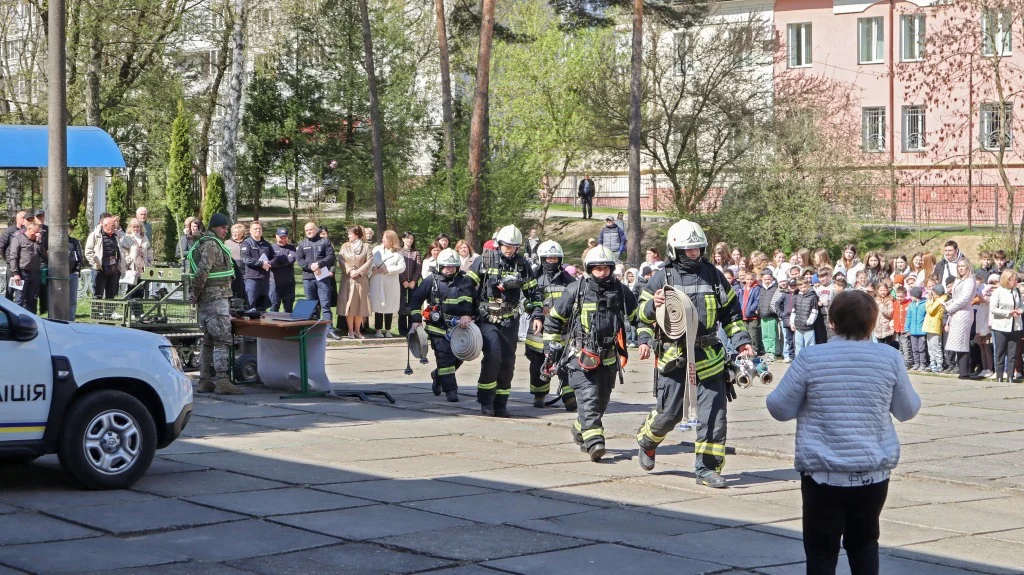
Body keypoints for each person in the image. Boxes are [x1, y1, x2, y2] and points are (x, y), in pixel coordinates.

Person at [766, 290, 920, 575]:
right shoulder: (890, 357)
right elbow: (907, 410)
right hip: (871, 472)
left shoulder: (811, 357)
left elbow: (779, 408)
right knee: (864, 544)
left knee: (821, 552)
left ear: (832, 322)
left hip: (823, 474)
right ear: (872, 322)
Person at [634, 219, 753, 488]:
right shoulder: (661, 277)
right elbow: (640, 316)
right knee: (670, 414)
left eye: (698, 248)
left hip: (709, 357)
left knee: (713, 416)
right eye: (689, 249)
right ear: (675, 251)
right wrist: (653, 306)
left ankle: (707, 469)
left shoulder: (713, 276)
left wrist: (741, 341)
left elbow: (732, 314)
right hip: (674, 358)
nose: (694, 253)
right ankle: (647, 440)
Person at [546, 245, 637, 462]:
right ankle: (596, 442)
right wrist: (551, 349)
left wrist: (646, 337)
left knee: (601, 402)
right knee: (589, 399)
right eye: (597, 268)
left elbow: (638, 317)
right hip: (581, 358)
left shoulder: (622, 291)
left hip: (609, 359)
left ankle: (580, 429)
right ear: (589, 269)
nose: (602, 272)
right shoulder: (576, 290)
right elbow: (554, 320)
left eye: (606, 268)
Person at [467, 225, 541, 417]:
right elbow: (466, 287)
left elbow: (534, 293)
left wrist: (537, 315)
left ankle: (500, 403)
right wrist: (466, 313)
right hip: (487, 319)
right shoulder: (484, 260)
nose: (509, 249)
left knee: (508, 362)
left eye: (513, 246)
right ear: (499, 244)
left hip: (510, 320)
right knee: (493, 357)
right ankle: (486, 401)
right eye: (506, 245)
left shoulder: (522, 265)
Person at [410, 248, 477, 402]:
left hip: (460, 329)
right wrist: (416, 319)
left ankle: (438, 375)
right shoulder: (431, 280)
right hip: (437, 328)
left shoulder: (464, 281)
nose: (449, 269)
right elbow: (416, 299)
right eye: (446, 266)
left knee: (459, 357)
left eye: (452, 266)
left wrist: (472, 317)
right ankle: (451, 390)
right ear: (440, 266)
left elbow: (474, 300)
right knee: (445, 358)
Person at [187, 213, 244, 395]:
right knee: (222, 339)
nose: (226, 230)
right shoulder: (211, 245)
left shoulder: (205, 243)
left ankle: (205, 380)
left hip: (209, 298)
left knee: (208, 340)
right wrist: (195, 294)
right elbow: (202, 271)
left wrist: (197, 294)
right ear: (214, 227)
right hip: (215, 298)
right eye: (223, 227)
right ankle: (222, 380)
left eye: (227, 227)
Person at [525, 240, 577, 410]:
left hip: (562, 329)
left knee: (566, 363)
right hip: (538, 329)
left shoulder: (568, 279)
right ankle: (539, 395)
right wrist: (535, 311)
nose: (552, 261)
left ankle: (569, 397)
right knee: (538, 362)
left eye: (555, 258)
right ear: (542, 259)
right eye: (549, 258)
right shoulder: (533, 277)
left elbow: (576, 299)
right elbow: (525, 299)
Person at [297, 221, 339, 336]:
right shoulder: (302, 243)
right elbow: (299, 260)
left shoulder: (325, 242)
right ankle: (314, 330)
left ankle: (329, 330)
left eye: (311, 229)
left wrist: (319, 264)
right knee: (312, 305)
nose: (309, 232)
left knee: (325, 304)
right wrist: (310, 266)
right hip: (308, 278)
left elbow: (331, 256)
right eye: (306, 230)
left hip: (322, 277)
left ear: (316, 230)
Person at [944, 258, 977, 379]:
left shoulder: (970, 280)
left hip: (964, 313)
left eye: (963, 266)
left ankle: (964, 371)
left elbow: (964, 299)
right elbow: (956, 297)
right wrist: (948, 303)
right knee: (958, 343)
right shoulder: (958, 280)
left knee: (962, 342)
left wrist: (950, 308)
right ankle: (963, 370)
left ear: (968, 267)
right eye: (959, 266)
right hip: (956, 312)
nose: (961, 268)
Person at [369, 230, 406, 337]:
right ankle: (378, 330)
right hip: (377, 280)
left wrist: (388, 269)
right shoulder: (376, 249)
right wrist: (373, 268)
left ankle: (388, 330)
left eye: (385, 238)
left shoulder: (398, 253)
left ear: (391, 240)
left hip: (390, 282)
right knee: (378, 306)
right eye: (383, 237)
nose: (383, 239)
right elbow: (370, 261)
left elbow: (402, 267)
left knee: (389, 306)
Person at [339, 225, 372, 339]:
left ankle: (358, 331)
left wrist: (358, 271)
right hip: (348, 279)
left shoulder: (366, 246)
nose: (348, 235)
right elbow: (341, 259)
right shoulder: (345, 246)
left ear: (356, 234)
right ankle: (350, 331)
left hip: (361, 280)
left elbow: (369, 261)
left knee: (360, 305)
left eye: (350, 233)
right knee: (349, 305)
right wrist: (349, 270)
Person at [989, 270, 1022, 382]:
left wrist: (1020, 311)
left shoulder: (1016, 291)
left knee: (1013, 353)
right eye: (1013, 279)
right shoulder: (998, 292)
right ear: (1007, 279)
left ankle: (1010, 376)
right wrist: (1008, 313)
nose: (1016, 281)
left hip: (1015, 326)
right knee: (1000, 352)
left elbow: (1021, 305)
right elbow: (993, 309)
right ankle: (999, 375)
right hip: (1001, 326)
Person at [84, 213, 126, 300]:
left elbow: (121, 251)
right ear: (105, 225)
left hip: (113, 269)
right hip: (100, 270)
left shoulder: (116, 235)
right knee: (98, 294)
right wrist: (96, 264)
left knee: (111, 294)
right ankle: (97, 309)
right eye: (112, 226)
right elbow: (88, 252)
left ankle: (109, 309)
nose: (115, 227)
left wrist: (120, 266)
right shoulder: (95, 235)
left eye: (114, 225)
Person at [6, 220, 43, 311]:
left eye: (38, 232)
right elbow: (13, 257)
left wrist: (39, 242)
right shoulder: (18, 239)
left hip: (35, 273)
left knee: (33, 299)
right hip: (23, 274)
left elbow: (44, 255)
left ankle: (32, 318)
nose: (37, 234)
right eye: (35, 232)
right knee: (20, 299)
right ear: (29, 229)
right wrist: (15, 273)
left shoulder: (37, 240)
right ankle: (17, 317)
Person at [239, 221, 275, 311]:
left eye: (259, 229)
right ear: (250, 231)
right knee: (250, 306)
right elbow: (246, 259)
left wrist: (268, 263)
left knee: (262, 307)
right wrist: (261, 263)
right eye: (255, 229)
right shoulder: (246, 243)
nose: (258, 230)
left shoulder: (266, 244)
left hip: (264, 279)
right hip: (252, 279)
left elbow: (274, 257)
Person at [121, 218, 152, 312]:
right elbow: (124, 253)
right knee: (132, 290)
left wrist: (150, 261)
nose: (136, 229)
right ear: (130, 227)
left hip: (143, 268)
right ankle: (129, 311)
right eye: (134, 227)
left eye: (137, 227)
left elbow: (149, 251)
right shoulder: (127, 238)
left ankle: (139, 311)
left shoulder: (144, 238)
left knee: (140, 290)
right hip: (132, 268)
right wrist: (129, 262)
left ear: (140, 227)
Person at [398, 232, 422, 336]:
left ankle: (412, 328)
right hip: (401, 282)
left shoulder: (416, 252)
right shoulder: (398, 252)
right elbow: (398, 268)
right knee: (401, 304)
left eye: (411, 238)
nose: (409, 240)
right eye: (407, 238)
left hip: (413, 283)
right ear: (403, 239)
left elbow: (418, 268)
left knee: (414, 304)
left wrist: (413, 281)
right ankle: (402, 330)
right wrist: (403, 280)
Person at [269, 228, 297, 313]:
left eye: (285, 237)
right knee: (274, 308)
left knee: (288, 309)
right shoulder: (271, 248)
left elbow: (291, 260)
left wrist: (276, 259)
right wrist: (284, 261)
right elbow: (270, 263)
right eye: (281, 237)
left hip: (289, 283)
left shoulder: (291, 247)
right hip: (274, 283)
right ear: (276, 236)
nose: (283, 239)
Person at [791, 278, 819, 356]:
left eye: (804, 287)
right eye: (800, 287)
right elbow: (793, 310)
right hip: (798, 326)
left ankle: (810, 360)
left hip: (808, 327)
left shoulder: (813, 297)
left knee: (810, 346)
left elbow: (814, 311)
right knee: (798, 344)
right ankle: (798, 359)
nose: (803, 289)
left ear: (808, 285)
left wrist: (809, 322)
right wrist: (792, 322)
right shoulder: (797, 297)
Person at [924, 282, 947, 373]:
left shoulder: (939, 301)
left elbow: (930, 310)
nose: (931, 295)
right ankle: (932, 363)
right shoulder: (935, 300)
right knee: (930, 347)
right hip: (930, 326)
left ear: (937, 293)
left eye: (933, 293)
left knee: (936, 346)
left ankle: (939, 364)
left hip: (935, 326)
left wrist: (929, 300)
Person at [739, 271, 763, 356]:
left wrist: (751, 310)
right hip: (744, 315)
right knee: (746, 334)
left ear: (754, 279)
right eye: (747, 279)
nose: (749, 281)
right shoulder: (743, 289)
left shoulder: (756, 288)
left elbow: (757, 301)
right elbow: (741, 301)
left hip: (752, 316)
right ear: (744, 279)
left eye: (751, 279)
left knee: (753, 334)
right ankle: (747, 350)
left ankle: (754, 350)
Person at [905, 286, 928, 371]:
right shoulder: (911, 305)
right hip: (912, 331)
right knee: (914, 349)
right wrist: (907, 329)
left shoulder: (925, 304)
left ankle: (922, 364)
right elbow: (908, 317)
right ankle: (916, 363)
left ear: (916, 295)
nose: (910, 297)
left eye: (912, 295)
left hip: (922, 331)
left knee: (921, 349)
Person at [758, 269, 780, 358]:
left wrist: (772, 311)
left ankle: (772, 352)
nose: (767, 281)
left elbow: (776, 302)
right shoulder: (762, 289)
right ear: (762, 279)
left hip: (771, 315)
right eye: (765, 279)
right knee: (765, 335)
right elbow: (760, 301)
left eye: (768, 279)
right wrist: (758, 310)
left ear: (772, 278)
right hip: (763, 315)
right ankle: (767, 351)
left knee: (772, 335)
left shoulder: (775, 288)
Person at [68, 233, 84, 319]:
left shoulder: (74, 242)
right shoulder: (54, 241)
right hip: (59, 275)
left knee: (72, 299)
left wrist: (77, 270)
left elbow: (79, 256)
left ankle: (71, 319)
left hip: (72, 273)